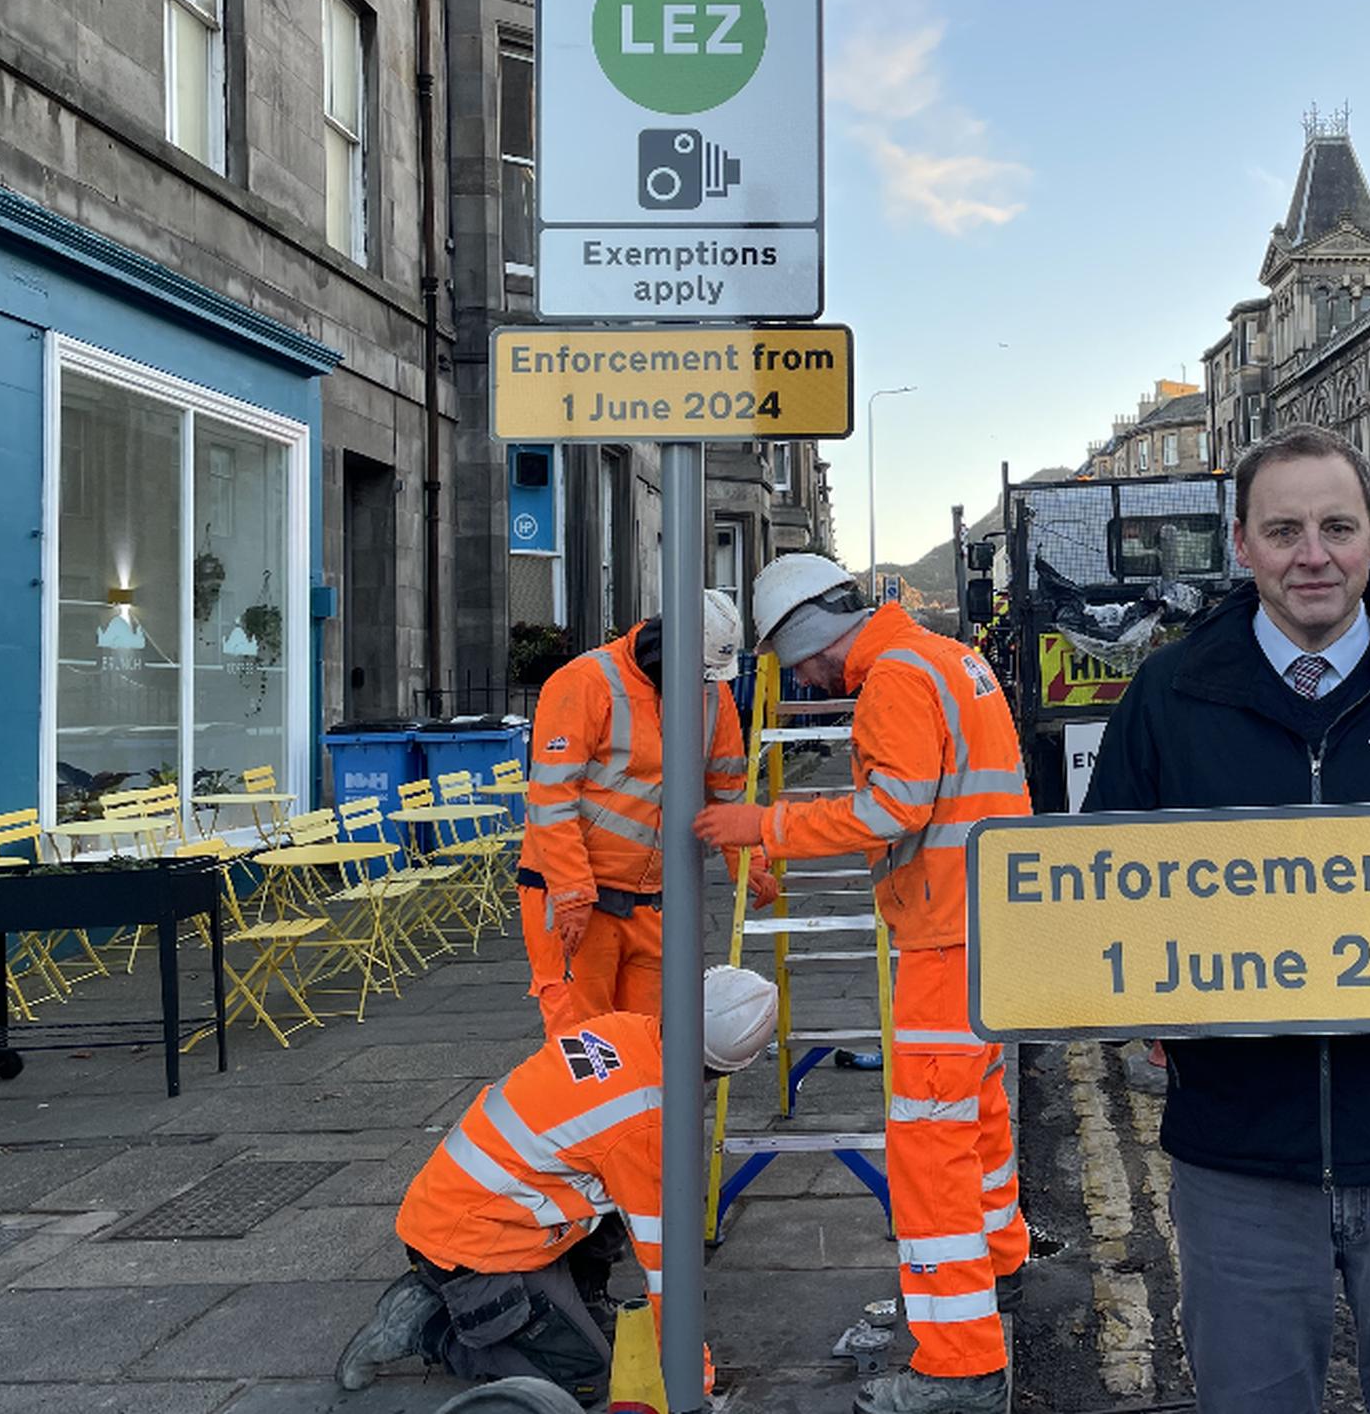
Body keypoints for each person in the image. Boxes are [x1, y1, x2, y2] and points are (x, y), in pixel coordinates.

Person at [1082, 424, 1370, 1414]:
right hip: (1239, 1157)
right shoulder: (1167, 694)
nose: (1313, 554)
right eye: (1283, 529)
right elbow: (1094, 903)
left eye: (1337, 525)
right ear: (1240, 546)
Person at [693, 554, 1030, 1414]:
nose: (802, 678)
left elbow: (891, 812)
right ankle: (993, 1277)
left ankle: (959, 1361)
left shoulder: (891, 679)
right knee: (977, 1122)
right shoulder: (950, 657)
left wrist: (760, 823)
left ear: (808, 631)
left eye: (791, 659)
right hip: (991, 927)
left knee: (927, 1145)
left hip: (944, 937)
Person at [335, 965, 780, 1402]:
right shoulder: (641, 1128)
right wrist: (689, 1373)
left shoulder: (624, 1028)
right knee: (585, 1377)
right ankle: (430, 1330)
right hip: (469, 1246)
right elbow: (665, 1264)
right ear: (730, 1069)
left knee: (615, 1198)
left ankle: (576, 1308)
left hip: (468, 1206)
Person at [518, 590, 774, 1034]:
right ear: (665, 646)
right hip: (580, 896)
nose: (701, 686)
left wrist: (750, 862)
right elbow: (551, 799)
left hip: (651, 899)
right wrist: (573, 892)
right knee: (584, 1045)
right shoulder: (585, 682)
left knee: (648, 1045)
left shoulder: (713, 692)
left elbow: (727, 787)